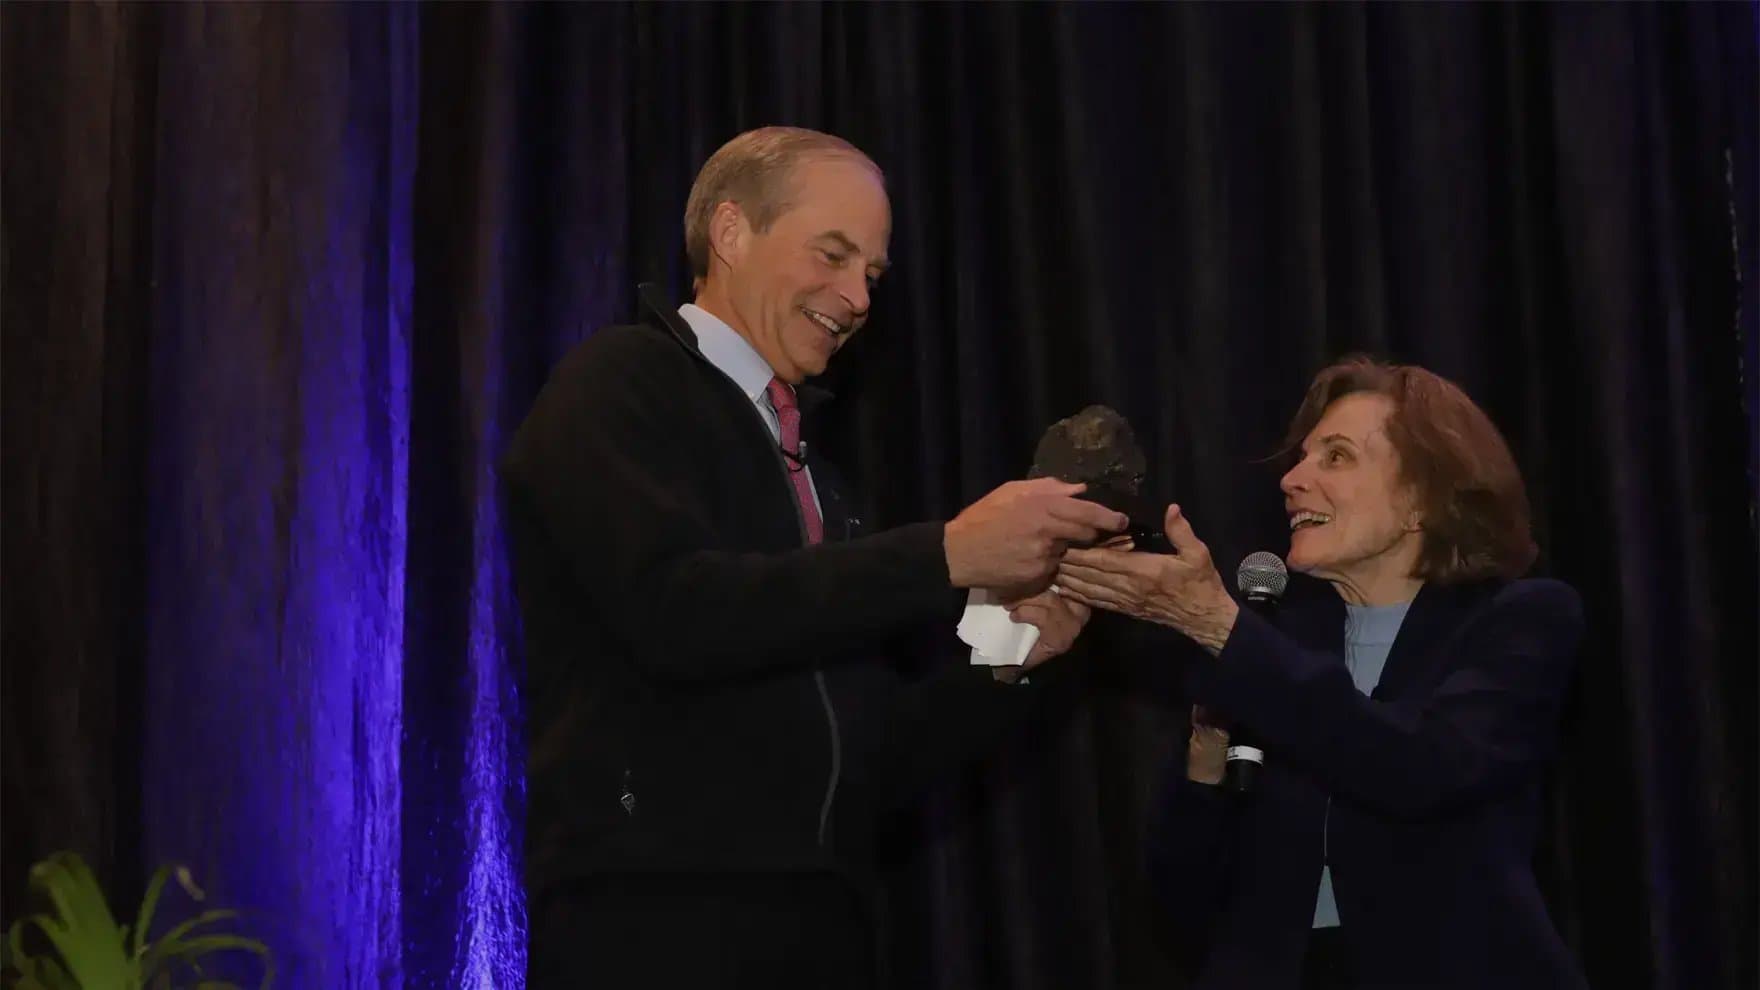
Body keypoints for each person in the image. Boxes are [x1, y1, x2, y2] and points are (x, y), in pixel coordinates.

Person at [500, 126, 1126, 988]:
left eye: (871, 273)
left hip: (820, 925)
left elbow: (873, 753)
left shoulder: (820, 479)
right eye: (832, 254)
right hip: (657, 922)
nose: (858, 296)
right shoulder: (617, 386)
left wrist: (1015, 650)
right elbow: (677, 614)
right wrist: (945, 554)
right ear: (730, 233)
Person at [1055, 357, 1587, 989]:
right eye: (1302, 459)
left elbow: (1423, 767)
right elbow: (1184, 901)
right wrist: (1206, 754)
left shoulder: (1520, 619)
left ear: (1424, 498)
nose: (1293, 480)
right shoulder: (1278, 644)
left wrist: (1223, 631)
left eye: (1335, 457)